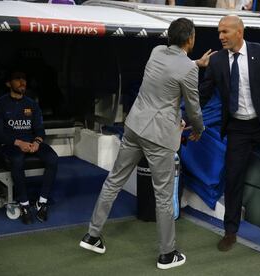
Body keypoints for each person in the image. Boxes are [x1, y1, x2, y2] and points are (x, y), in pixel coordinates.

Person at [79, 18, 212, 270]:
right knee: (163, 197)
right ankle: (167, 255)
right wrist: (199, 129)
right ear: (190, 40)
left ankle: (92, 236)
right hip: (160, 137)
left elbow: (172, 69)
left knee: (113, 181)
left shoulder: (156, 52)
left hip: (135, 127)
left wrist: (196, 63)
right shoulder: (188, 69)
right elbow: (193, 110)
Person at [199, 15, 260, 252]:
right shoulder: (217, 61)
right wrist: (186, 117)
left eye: (225, 32)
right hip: (238, 128)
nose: (220, 37)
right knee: (233, 179)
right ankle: (230, 231)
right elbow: (203, 94)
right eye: (219, 32)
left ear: (239, 32)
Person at [0, 69, 58, 225]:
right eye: (17, 79)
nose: (22, 82)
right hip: (10, 144)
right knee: (17, 159)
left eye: (24, 78)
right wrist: (19, 143)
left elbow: (40, 129)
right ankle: (24, 204)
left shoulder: (32, 104)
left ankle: (41, 202)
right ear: (8, 83)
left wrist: (37, 142)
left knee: (52, 159)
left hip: (31, 142)